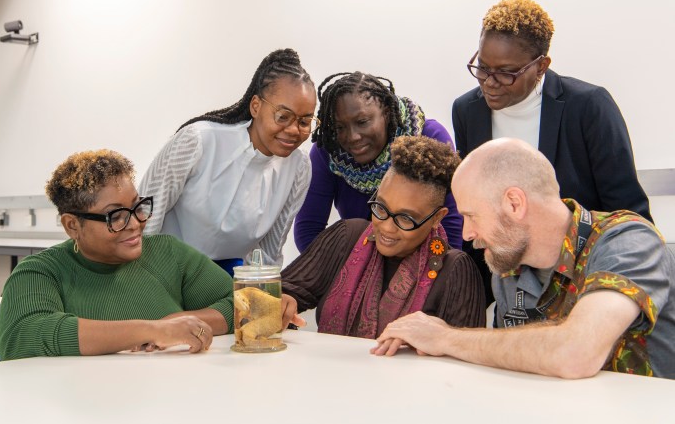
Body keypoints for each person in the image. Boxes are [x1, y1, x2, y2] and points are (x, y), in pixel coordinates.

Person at [373, 138, 675, 380]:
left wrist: (445, 338)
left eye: (471, 215)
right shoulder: (507, 265)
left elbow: (576, 354)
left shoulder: (627, 241)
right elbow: (510, 366)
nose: (466, 233)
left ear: (514, 203)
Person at [451, 0, 652, 303]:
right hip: (507, 283)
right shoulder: (468, 111)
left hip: (588, 277)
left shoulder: (588, 107)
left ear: (541, 65)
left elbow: (629, 215)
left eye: (506, 73)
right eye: (481, 68)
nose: (489, 83)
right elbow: (476, 205)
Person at [0, 149, 234, 359]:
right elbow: (24, 334)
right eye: (116, 216)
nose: (135, 224)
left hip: (164, 396)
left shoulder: (168, 253)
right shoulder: (40, 272)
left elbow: (245, 304)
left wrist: (176, 324)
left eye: (137, 207)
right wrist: (150, 331)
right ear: (72, 226)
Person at [283, 135, 485, 338]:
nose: (387, 227)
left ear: (436, 218)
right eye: (381, 207)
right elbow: (283, 291)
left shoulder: (455, 271)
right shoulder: (346, 237)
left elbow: (467, 354)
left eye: (406, 218)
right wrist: (282, 301)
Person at [139, 48, 317, 274]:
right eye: (283, 116)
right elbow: (144, 216)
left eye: (304, 122)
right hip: (164, 269)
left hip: (228, 280)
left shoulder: (299, 167)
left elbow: (270, 252)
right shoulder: (198, 141)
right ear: (255, 106)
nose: (293, 130)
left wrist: (259, 298)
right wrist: (141, 282)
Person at [293, 72, 464, 254]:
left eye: (362, 122)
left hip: (424, 267)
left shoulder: (429, 137)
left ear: (387, 113)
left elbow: (451, 228)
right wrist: (349, 273)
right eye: (340, 127)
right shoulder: (329, 150)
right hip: (354, 266)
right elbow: (308, 231)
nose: (353, 137)